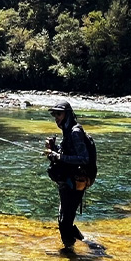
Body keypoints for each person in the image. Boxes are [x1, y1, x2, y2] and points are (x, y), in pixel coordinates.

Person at [44, 100, 91, 251]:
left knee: (65, 221)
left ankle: (70, 254)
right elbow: (68, 152)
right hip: (67, 180)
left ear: (67, 114)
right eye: (54, 114)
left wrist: (58, 157)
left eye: (58, 114)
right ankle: (83, 242)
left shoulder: (75, 132)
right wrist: (53, 149)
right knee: (63, 219)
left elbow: (84, 158)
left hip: (76, 182)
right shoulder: (67, 130)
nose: (56, 117)